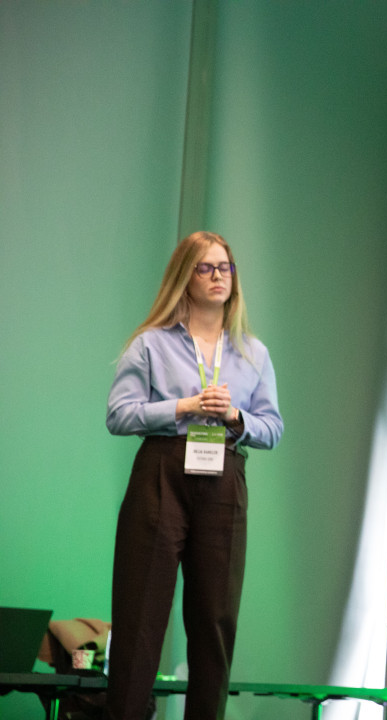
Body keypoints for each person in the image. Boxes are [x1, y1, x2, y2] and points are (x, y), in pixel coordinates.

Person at [105, 231, 283, 720]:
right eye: (206, 267)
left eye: (225, 267)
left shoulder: (253, 352)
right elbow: (118, 414)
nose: (218, 276)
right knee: (141, 616)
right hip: (162, 471)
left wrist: (235, 417)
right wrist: (182, 407)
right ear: (185, 276)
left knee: (215, 622)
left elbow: (272, 428)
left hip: (224, 477)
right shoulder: (151, 343)